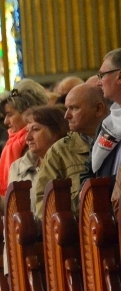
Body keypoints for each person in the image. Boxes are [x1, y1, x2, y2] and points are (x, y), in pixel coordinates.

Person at [34, 83, 109, 215]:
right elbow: (44, 205)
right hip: (79, 227)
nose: (66, 115)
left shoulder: (116, 142)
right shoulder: (59, 152)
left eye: (74, 108)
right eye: (66, 108)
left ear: (98, 109)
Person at [9, 105, 68, 217]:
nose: (27, 137)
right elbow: (13, 209)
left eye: (35, 129)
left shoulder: (69, 163)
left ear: (56, 132)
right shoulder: (17, 167)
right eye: (27, 130)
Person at [0, 84, 49, 194]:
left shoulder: (39, 144)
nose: (5, 121)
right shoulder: (11, 143)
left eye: (10, 115)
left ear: (27, 113)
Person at [90, 48, 121, 184]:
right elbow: (90, 172)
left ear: (120, 76)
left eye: (102, 75)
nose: (98, 82)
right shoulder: (108, 124)